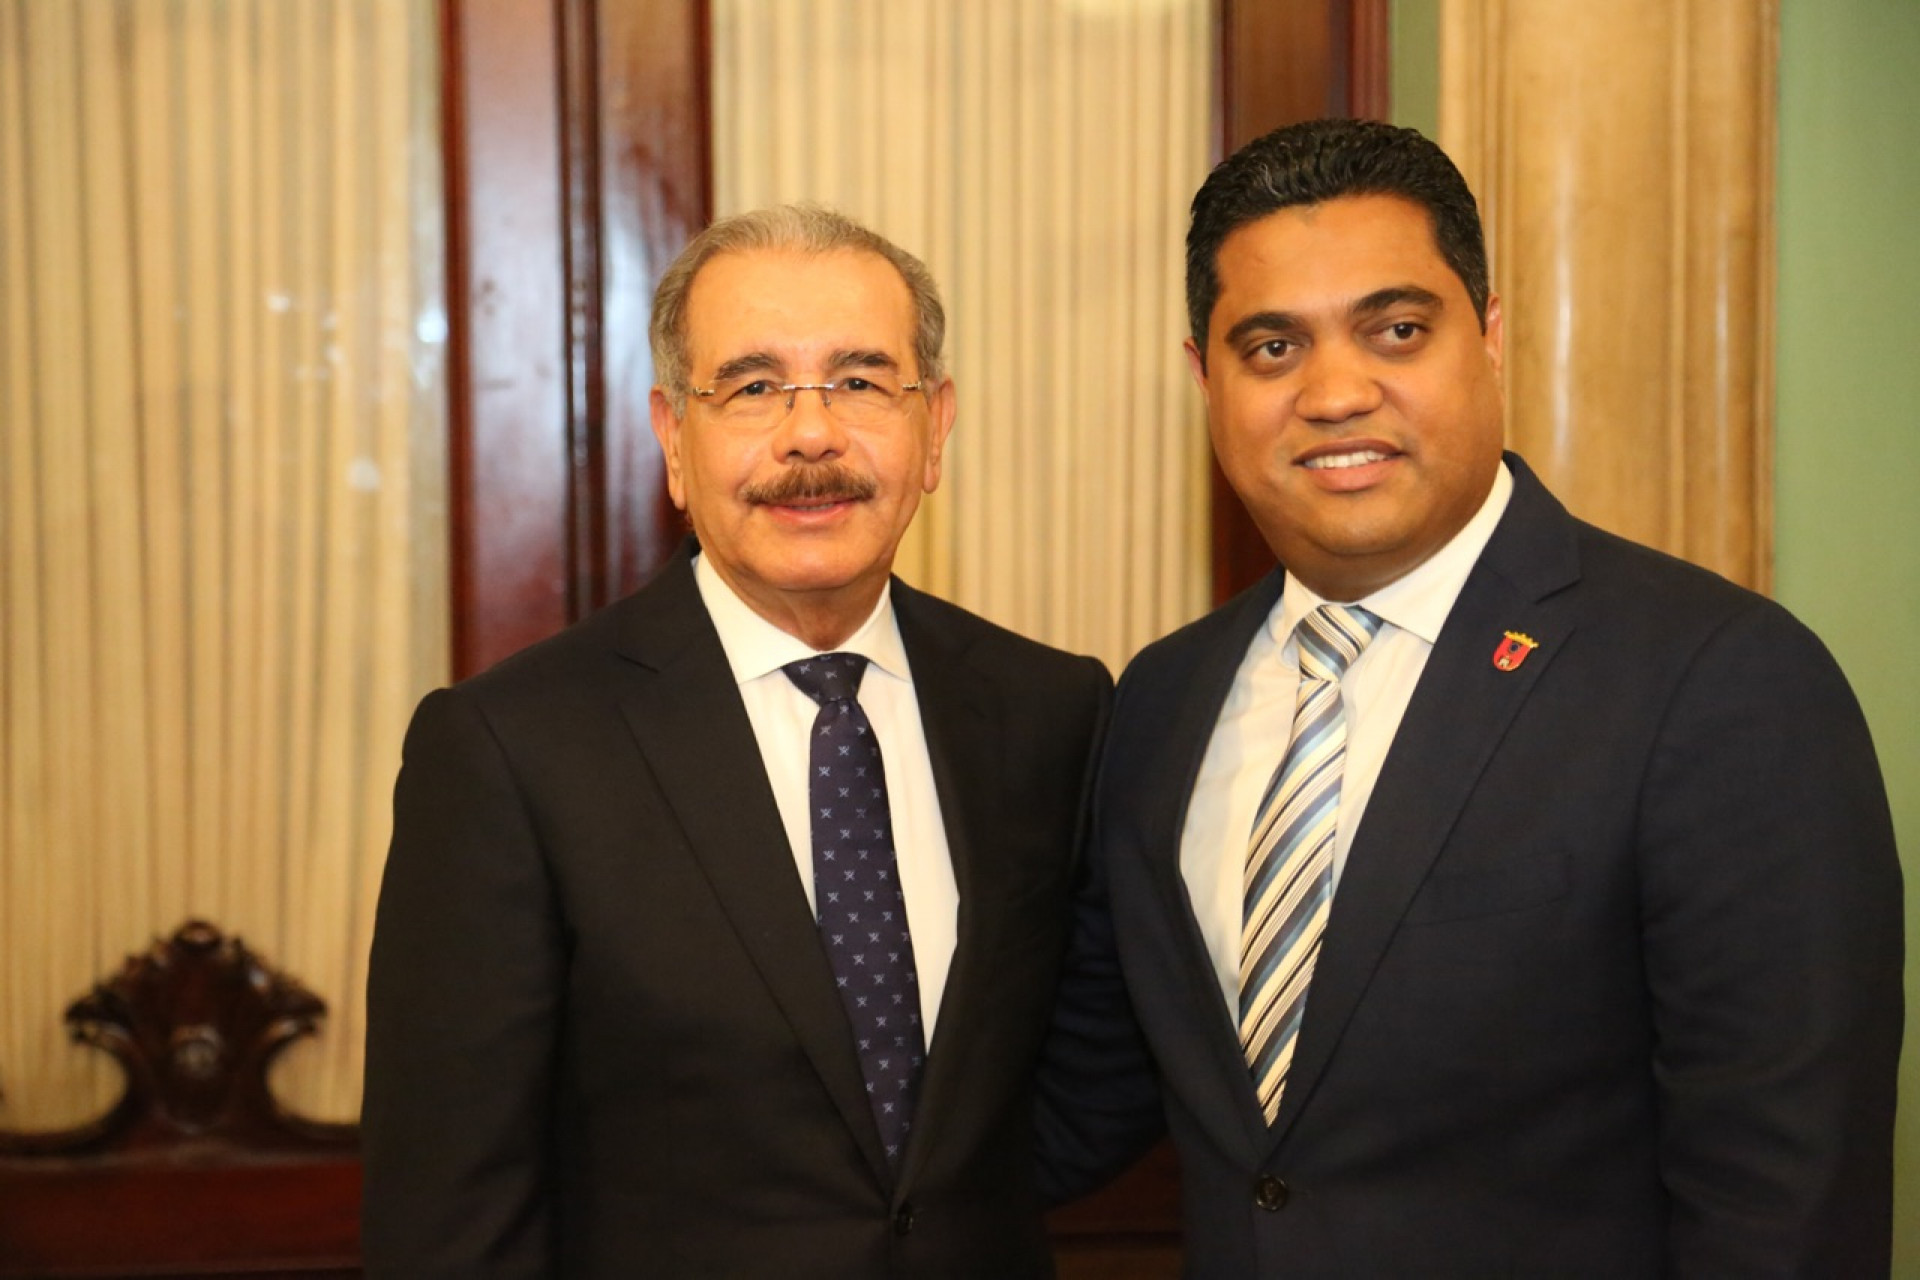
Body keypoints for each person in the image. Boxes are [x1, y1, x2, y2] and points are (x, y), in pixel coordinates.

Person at [1037, 119, 1903, 1275]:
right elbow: (1090, 1098)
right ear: (1206, 378)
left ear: (1490, 336)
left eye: (1396, 330)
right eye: (1273, 346)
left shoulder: (1719, 682)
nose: (1336, 392)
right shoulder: (1161, 699)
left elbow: (1785, 1200)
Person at [362, 204, 1111, 1277]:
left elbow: (1075, 1082)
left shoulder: (1048, 711)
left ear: (935, 428)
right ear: (675, 436)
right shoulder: (508, 749)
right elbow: (450, 1209)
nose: (811, 436)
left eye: (860, 382)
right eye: (754, 387)